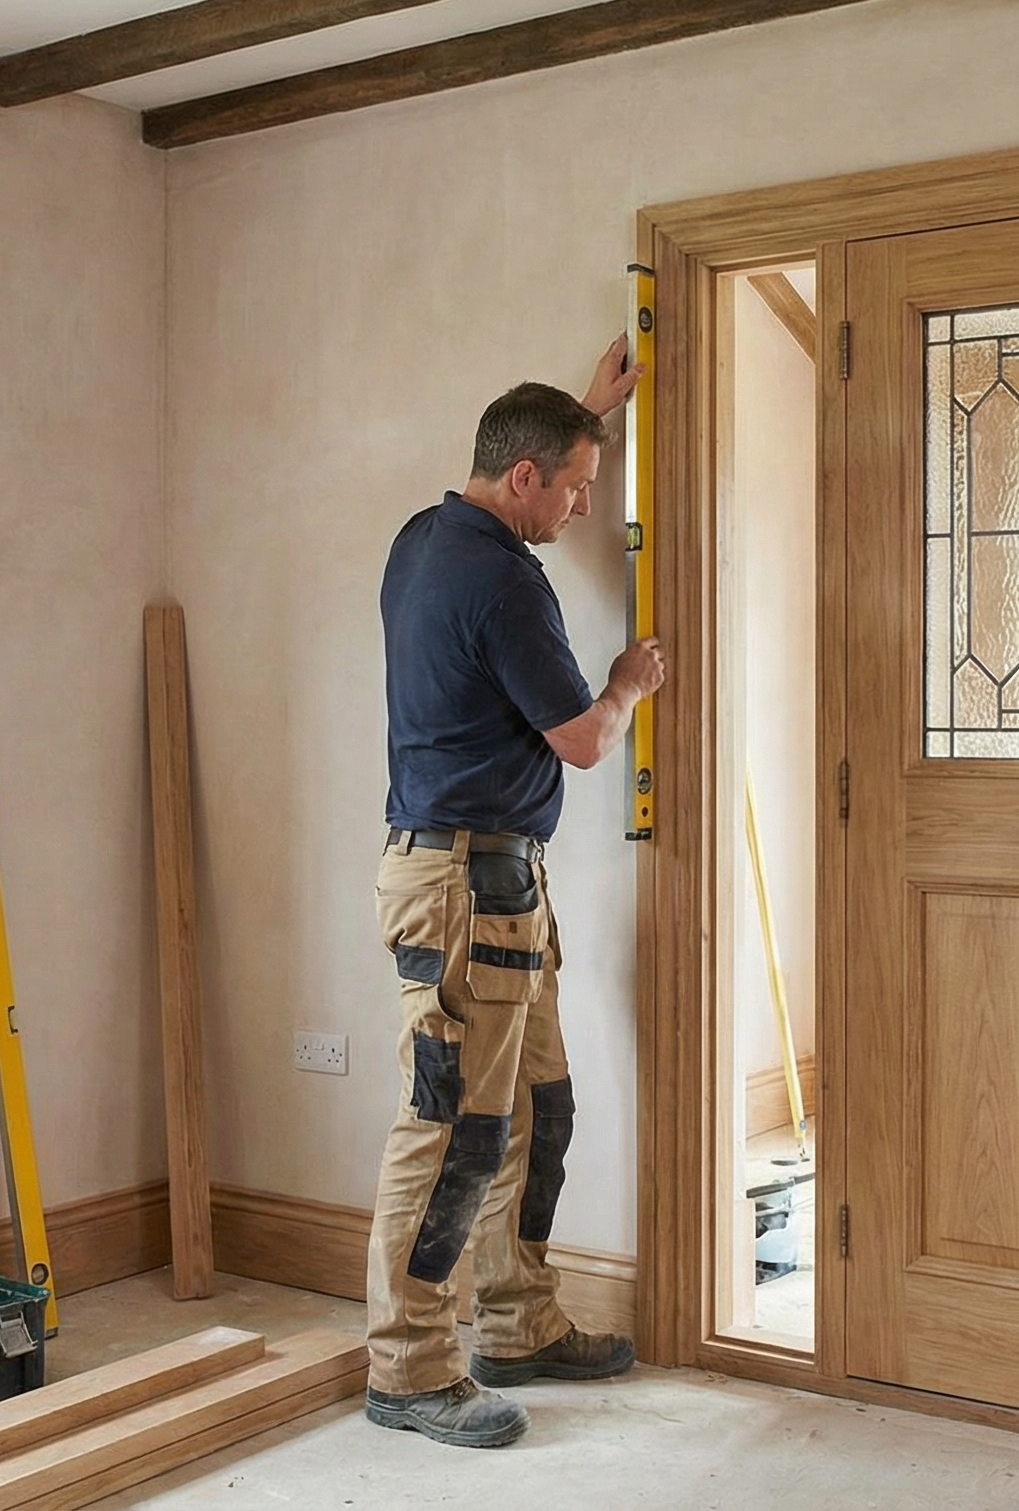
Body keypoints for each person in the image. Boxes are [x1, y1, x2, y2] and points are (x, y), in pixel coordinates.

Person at [362, 339, 667, 1449]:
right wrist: (628, 688)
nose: (582, 510)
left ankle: (516, 1321)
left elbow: (534, 455)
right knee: (449, 1131)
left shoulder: (426, 537)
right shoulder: (501, 580)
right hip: (460, 889)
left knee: (534, 1112)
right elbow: (583, 740)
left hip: (495, 883)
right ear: (525, 478)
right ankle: (408, 1367)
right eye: (576, 488)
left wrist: (587, 412)